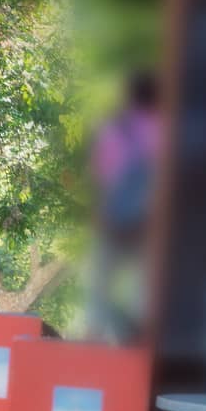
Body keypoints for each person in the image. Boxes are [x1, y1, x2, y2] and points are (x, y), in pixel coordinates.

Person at [87, 70, 160, 339]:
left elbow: (103, 175)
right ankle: (140, 334)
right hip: (148, 221)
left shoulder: (114, 127)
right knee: (144, 281)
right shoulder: (165, 130)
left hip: (114, 218)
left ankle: (96, 332)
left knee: (101, 279)